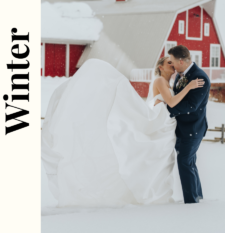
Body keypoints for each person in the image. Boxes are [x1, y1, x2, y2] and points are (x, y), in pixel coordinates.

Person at [41, 55, 204, 208]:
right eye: (169, 63)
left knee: (164, 161)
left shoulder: (169, 83)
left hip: (166, 124)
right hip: (161, 122)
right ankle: (155, 194)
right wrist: (189, 87)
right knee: (157, 156)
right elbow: (171, 102)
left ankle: (161, 193)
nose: (173, 65)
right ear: (161, 67)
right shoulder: (161, 81)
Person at [155, 45, 210, 204]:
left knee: (184, 161)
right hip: (181, 128)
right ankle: (197, 197)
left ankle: (191, 203)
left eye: (172, 61)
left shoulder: (200, 78)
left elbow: (192, 105)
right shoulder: (180, 75)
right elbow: (178, 96)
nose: (171, 64)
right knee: (190, 163)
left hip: (193, 128)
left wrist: (166, 109)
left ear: (180, 61)